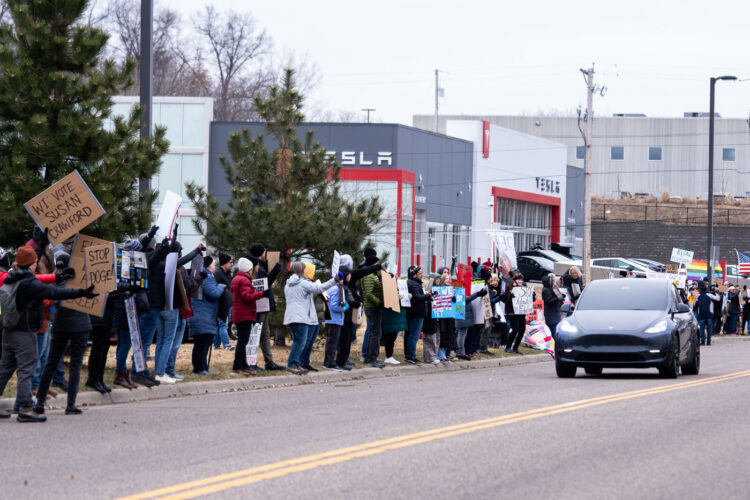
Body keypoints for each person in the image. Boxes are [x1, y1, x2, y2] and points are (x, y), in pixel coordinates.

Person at [0, 246, 96, 422]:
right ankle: (26, 410)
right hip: (24, 333)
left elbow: (41, 280)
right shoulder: (30, 284)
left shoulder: (11, 277)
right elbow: (55, 292)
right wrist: (81, 292)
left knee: (4, 370)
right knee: (26, 371)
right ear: (30, 264)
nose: (36, 263)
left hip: (8, 332)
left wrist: (57, 276)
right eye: (35, 261)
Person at [284, 261, 338, 374]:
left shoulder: (288, 283)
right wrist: (334, 280)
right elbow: (320, 288)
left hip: (292, 316)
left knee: (299, 341)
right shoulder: (303, 283)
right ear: (300, 271)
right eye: (304, 269)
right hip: (300, 317)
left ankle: (297, 364)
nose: (305, 271)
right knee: (300, 342)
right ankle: (292, 364)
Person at [248, 243, 284, 370]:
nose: (265, 252)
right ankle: (251, 362)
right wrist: (274, 271)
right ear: (260, 252)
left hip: (262, 303)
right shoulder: (256, 268)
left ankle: (269, 362)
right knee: (258, 334)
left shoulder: (259, 266)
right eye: (264, 251)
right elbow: (265, 284)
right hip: (260, 303)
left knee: (265, 334)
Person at [231, 257, 267, 376]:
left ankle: (244, 365)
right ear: (249, 269)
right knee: (243, 341)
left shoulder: (237, 278)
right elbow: (247, 297)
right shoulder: (245, 280)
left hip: (239, 313)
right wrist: (261, 294)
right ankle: (237, 366)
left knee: (243, 340)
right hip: (244, 314)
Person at [189, 256, 225, 375]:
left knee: (199, 344)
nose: (215, 267)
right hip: (204, 316)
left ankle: (199, 368)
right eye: (214, 265)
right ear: (210, 266)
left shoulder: (199, 275)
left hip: (199, 315)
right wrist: (220, 287)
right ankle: (201, 369)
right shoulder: (208, 277)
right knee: (203, 344)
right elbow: (213, 294)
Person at [360, 255, 385, 368]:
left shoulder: (373, 275)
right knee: (375, 333)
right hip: (372, 307)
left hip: (374, 306)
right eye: (377, 264)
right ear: (373, 264)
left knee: (375, 332)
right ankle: (371, 358)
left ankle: (371, 356)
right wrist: (379, 302)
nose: (379, 265)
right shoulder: (369, 276)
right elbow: (369, 293)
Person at [502, 272, 535, 354]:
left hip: (521, 312)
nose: (520, 281)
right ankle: (508, 347)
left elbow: (528, 300)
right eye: (518, 279)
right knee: (515, 329)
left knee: (522, 330)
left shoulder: (524, 288)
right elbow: (505, 299)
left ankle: (515, 348)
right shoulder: (510, 287)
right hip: (512, 312)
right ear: (514, 280)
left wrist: (532, 296)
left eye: (521, 279)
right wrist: (510, 297)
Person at [405, 266, 432, 364]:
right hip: (416, 313)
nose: (422, 275)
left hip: (412, 312)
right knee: (414, 336)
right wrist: (428, 295)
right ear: (414, 274)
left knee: (410, 335)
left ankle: (409, 355)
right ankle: (411, 356)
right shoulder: (414, 284)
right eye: (420, 273)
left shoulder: (413, 283)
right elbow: (417, 297)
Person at [323, 272, 348, 371]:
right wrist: (345, 308)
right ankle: (330, 363)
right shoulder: (337, 289)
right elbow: (334, 307)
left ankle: (327, 362)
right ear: (340, 279)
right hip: (335, 319)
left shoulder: (330, 288)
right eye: (342, 278)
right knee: (333, 343)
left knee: (330, 342)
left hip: (330, 319)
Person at [454, 287, 487, 360]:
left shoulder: (458, 295)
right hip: (462, 318)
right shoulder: (458, 295)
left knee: (461, 335)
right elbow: (467, 299)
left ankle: (460, 352)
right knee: (461, 336)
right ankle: (460, 353)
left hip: (463, 318)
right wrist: (478, 293)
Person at [213, 253, 234, 350]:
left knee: (220, 325)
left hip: (228, 303)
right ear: (224, 263)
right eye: (230, 262)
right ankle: (226, 345)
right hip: (220, 303)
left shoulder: (228, 274)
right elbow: (214, 288)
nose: (232, 264)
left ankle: (216, 345)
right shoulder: (217, 273)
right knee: (223, 325)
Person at [542, 274, 564, 340]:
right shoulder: (546, 290)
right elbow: (549, 302)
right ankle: (553, 345)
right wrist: (557, 297)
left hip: (554, 313)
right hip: (551, 314)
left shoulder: (549, 289)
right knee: (552, 331)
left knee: (554, 330)